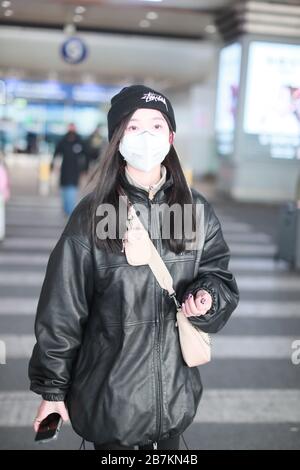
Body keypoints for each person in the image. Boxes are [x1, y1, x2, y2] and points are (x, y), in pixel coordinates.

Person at [28, 85, 240, 450]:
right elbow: (63, 308)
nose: (146, 136)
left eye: (156, 126)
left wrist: (206, 297)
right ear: (117, 139)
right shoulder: (94, 215)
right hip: (111, 400)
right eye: (133, 126)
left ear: (170, 137)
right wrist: (51, 388)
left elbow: (218, 276)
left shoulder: (195, 210)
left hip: (173, 399)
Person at [50, 123, 88, 217]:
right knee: (64, 191)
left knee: (71, 192)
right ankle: (66, 210)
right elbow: (56, 153)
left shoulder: (79, 141)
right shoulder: (63, 141)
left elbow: (86, 155)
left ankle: (70, 212)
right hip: (64, 171)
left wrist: (85, 168)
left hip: (75, 171)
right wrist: (52, 164)